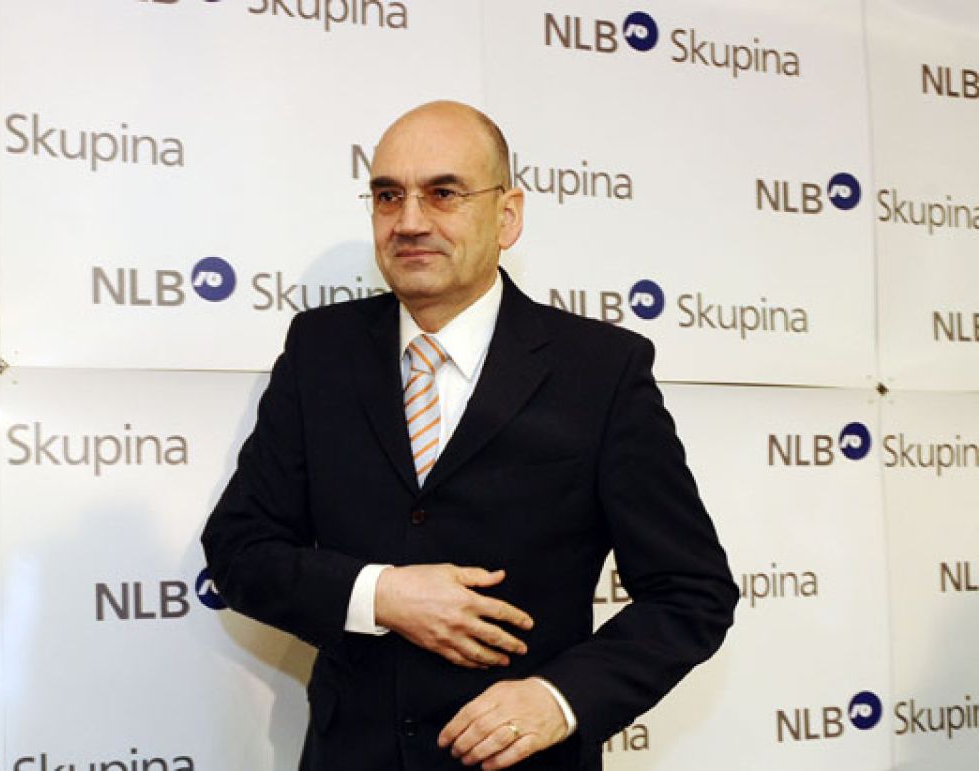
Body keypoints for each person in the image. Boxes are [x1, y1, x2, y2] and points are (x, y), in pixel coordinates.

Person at [201, 100, 737, 771]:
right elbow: (240, 550)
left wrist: (559, 698)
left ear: (507, 215)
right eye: (388, 196)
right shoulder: (321, 350)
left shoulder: (600, 371)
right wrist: (380, 594)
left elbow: (691, 593)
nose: (410, 221)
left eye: (443, 193)